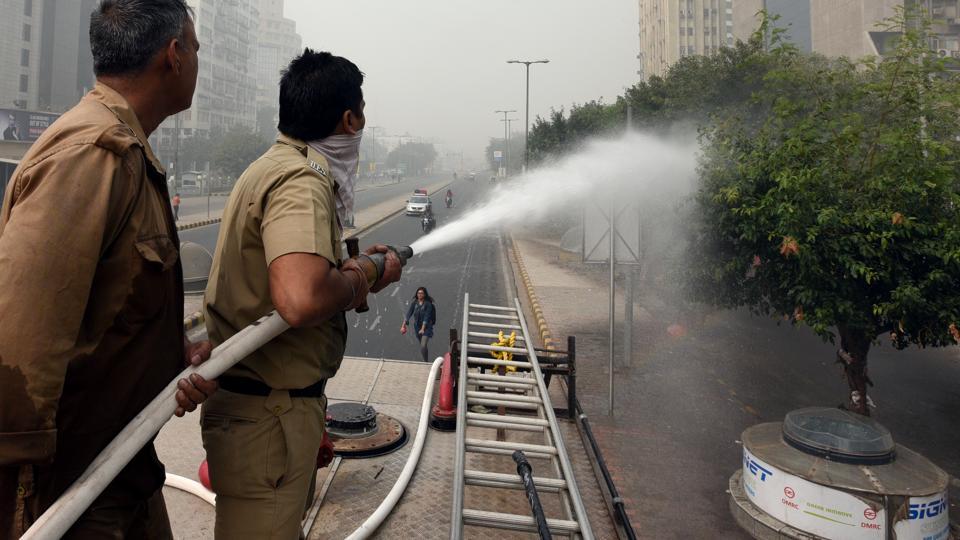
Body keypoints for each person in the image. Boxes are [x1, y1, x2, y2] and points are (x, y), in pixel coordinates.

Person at [0, 1, 216, 537]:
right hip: (69, 489)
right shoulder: (93, 155)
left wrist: (169, 357)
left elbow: (107, 312)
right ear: (173, 56)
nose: (196, 60)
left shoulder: (127, 148)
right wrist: (25, 501)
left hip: (120, 468)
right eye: (194, 48)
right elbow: (18, 352)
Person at [201, 49, 402, 539]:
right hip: (268, 418)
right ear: (349, 119)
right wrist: (369, 273)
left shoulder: (269, 166)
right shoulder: (301, 181)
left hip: (268, 414)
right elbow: (301, 298)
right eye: (362, 113)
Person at [401, 287, 437, 362]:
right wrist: (403, 325)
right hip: (417, 327)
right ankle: (425, 360)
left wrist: (423, 329)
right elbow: (409, 313)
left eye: (421, 293)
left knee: (423, 345)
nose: (419, 294)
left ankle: (425, 362)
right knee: (422, 346)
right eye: (418, 293)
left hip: (426, 328)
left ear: (424, 294)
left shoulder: (428, 304)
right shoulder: (415, 303)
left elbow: (426, 317)